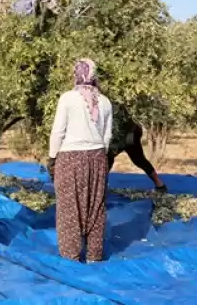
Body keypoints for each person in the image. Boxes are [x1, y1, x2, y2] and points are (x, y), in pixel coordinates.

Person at [47, 58, 113, 263]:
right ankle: (94, 254)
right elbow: (107, 136)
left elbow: (58, 131)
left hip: (70, 157)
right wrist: (99, 156)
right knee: (95, 206)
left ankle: (71, 256)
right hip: (97, 156)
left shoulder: (67, 99)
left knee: (69, 207)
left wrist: (52, 157)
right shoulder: (105, 101)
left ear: (76, 74)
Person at [109, 105, 168, 193]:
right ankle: (160, 185)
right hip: (128, 132)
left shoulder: (112, 102)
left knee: (107, 158)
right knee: (139, 159)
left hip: (126, 134)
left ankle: (98, 187)